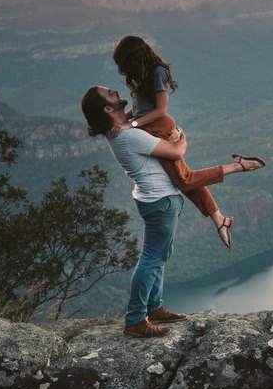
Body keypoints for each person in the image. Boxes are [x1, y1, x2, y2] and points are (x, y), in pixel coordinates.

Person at [80, 85, 263, 339]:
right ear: (108, 109)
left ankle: (154, 307)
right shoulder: (129, 136)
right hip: (160, 201)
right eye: (110, 94)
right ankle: (135, 319)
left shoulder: (122, 130)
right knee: (151, 259)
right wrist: (181, 135)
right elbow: (177, 152)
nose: (114, 91)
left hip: (155, 200)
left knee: (160, 254)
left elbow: (144, 112)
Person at [112, 35, 265, 249]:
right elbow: (140, 108)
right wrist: (125, 119)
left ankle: (237, 166)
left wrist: (132, 125)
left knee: (184, 180)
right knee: (184, 179)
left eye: (124, 62)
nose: (122, 69)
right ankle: (219, 219)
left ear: (133, 57)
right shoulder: (141, 74)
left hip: (159, 128)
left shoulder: (157, 72)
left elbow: (160, 110)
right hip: (149, 129)